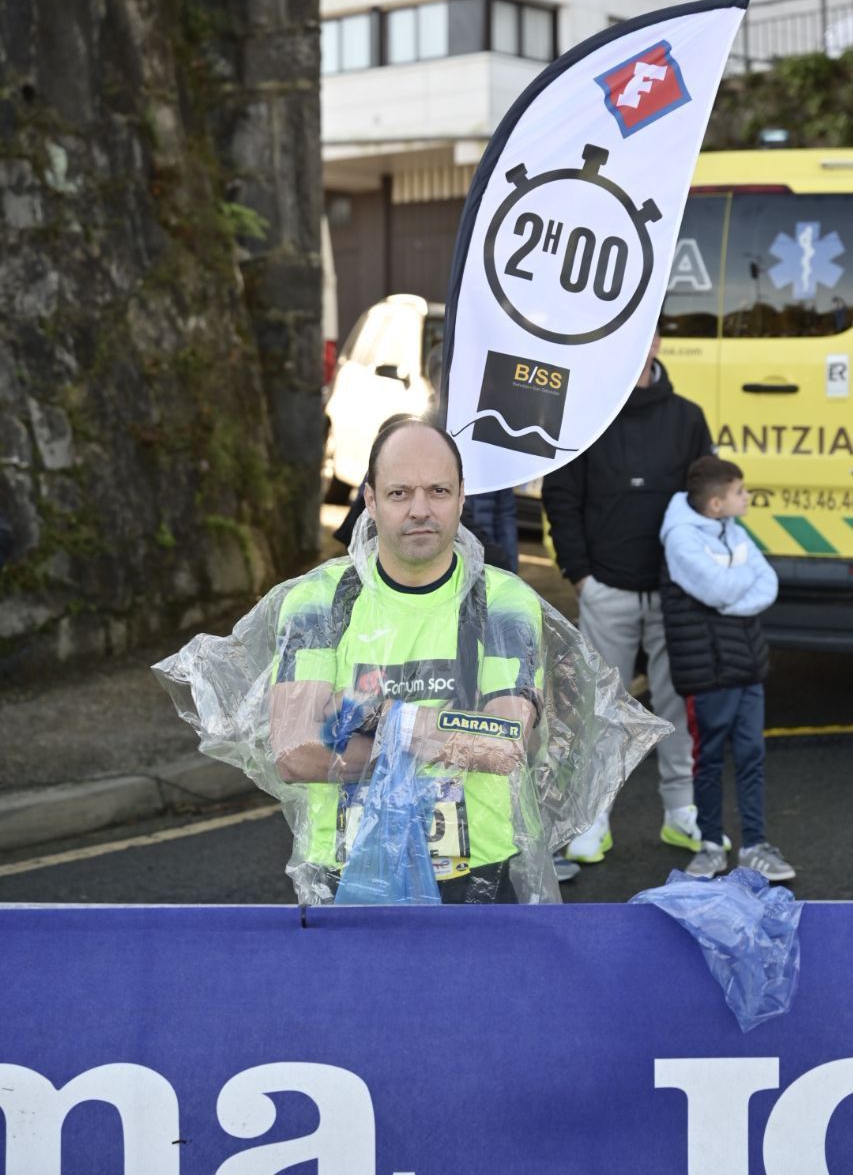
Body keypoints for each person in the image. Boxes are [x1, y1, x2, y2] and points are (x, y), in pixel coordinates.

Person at [156, 417, 670, 906]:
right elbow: (295, 752)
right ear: (371, 501)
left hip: (475, 876)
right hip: (349, 871)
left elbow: (502, 746)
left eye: (438, 491)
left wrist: (379, 717)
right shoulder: (319, 601)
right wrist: (443, 740)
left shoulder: (503, 602)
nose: (420, 509)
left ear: (462, 499)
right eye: (400, 493)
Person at [542, 329, 713, 867]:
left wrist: (694, 576)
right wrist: (581, 576)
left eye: (649, 333)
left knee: (679, 708)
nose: (641, 344)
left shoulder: (688, 417)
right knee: (599, 712)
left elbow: (706, 502)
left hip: (673, 594)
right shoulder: (587, 416)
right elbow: (561, 497)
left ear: (659, 341)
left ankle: (681, 812)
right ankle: (594, 820)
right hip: (606, 588)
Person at [660, 456, 795, 881]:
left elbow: (767, 581)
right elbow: (718, 589)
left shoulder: (732, 531)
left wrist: (729, 596)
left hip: (747, 665)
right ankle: (710, 845)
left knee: (752, 756)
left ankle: (754, 845)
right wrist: (736, 587)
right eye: (740, 491)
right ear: (717, 504)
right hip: (708, 673)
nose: (748, 497)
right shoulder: (681, 540)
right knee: (710, 759)